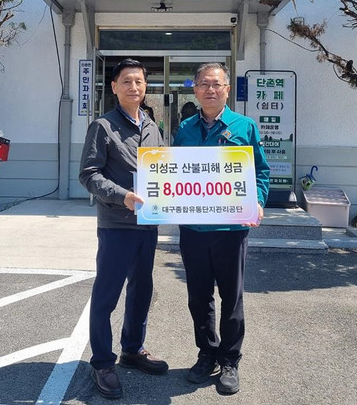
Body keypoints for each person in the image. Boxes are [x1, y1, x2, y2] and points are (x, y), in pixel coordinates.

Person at [173, 62, 269, 395]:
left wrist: (257, 200)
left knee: (232, 296)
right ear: (195, 89)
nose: (210, 90)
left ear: (227, 89)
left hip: (231, 229)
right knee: (199, 297)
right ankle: (207, 353)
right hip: (193, 229)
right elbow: (174, 171)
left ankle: (230, 360)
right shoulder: (185, 128)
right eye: (203, 84)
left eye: (216, 84)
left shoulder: (245, 126)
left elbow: (260, 172)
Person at [79, 58, 169, 399]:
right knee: (107, 293)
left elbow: (162, 168)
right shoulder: (103, 126)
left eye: (139, 81)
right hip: (117, 224)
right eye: (127, 81)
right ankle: (103, 362)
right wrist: (123, 196)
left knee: (142, 289)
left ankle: (132, 349)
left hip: (147, 223)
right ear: (114, 87)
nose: (134, 87)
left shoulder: (151, 126)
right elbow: (89, 174)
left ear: (146, 87)